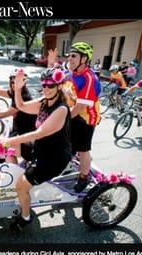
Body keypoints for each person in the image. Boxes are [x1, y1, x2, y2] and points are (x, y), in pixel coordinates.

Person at [0, 68, 72, 229]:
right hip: (40, 149)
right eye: (44, 84)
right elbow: (21, 106)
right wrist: (17, 89)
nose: (46, 88)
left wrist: (9, 140)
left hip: (53, 158)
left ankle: (25, 217)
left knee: (21, 185)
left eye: (51, 85)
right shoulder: (44, 102)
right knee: (12, 147)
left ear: (59, 86)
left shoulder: (61, 109)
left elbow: (38, 134)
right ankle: (13, 179)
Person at [49, 42, 101, 192]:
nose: (69, 59)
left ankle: (84, 177)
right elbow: (54, 79)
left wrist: (58, 119)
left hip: (86, 118)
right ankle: (68, 161)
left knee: (83, 149)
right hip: (72, 113)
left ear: (84, 59)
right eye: (69, 55)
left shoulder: (89, 79)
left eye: (74, 56)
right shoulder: (71, 73)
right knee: (65, 142)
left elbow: (79, 108)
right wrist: (51, 63)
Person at [0, 69, 37, 164]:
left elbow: (7, 113)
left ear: (24, 82)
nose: (14, 84)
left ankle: (14, 175)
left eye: (17, 81)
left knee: (5, 149)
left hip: (26, 137)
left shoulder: (24, 96)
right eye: (12, 81)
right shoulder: (14, 93)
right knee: (2, 148)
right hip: (18, 132)